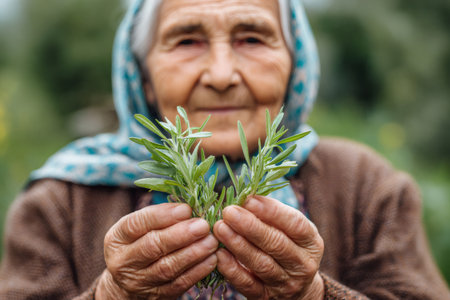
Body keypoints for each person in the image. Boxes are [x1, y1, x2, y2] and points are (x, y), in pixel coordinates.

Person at [0, 0, 448, 299]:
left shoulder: (365, 187)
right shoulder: (61, 201)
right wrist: (111, 295)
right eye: (187, 40)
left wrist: (314, 294)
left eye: (251, 39)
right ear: (143, 76)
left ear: (296, 66)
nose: (220, 74)